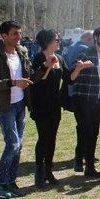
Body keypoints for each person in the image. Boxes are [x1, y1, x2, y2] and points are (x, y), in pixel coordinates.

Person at [0, 20, 33, 199]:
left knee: (18, 146)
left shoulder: (22, 53)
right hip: (5, 107)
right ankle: (1, 184)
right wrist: (14, 82)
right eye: (14, 33)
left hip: (20, 105)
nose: (18, 37)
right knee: (12, 144)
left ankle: (11, 182)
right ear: (4, 35)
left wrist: (47, 66)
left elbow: (29, 77)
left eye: (19, 33)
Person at [29, 29, 71, 188]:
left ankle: (49, 170)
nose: (59, 41)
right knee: (43, 137)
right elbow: (36, 81)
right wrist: (47, 66)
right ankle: (39, 172)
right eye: (56, 39)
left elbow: (69, 78)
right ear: (47, 42)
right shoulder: (38, 58)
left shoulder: (60, 57)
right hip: (41, 104)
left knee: (52, 138)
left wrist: (79, 69)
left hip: (55, 104)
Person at [70, 25, 100, 177]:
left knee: (93, 133)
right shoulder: (85, 53)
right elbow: (71, 76)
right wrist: (79, 68)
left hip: (96, 101)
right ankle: (79, 159)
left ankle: (89, 166)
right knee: (84, 130)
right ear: (96, 37)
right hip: (82, 99)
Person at [63, 30, 94, 172]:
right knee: (84, 127)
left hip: (71, 91)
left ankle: (81, 156)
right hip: (81, 92)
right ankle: (80, 157)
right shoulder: (85, 49)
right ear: (89, 39)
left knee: (82, 125)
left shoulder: (70, 47)